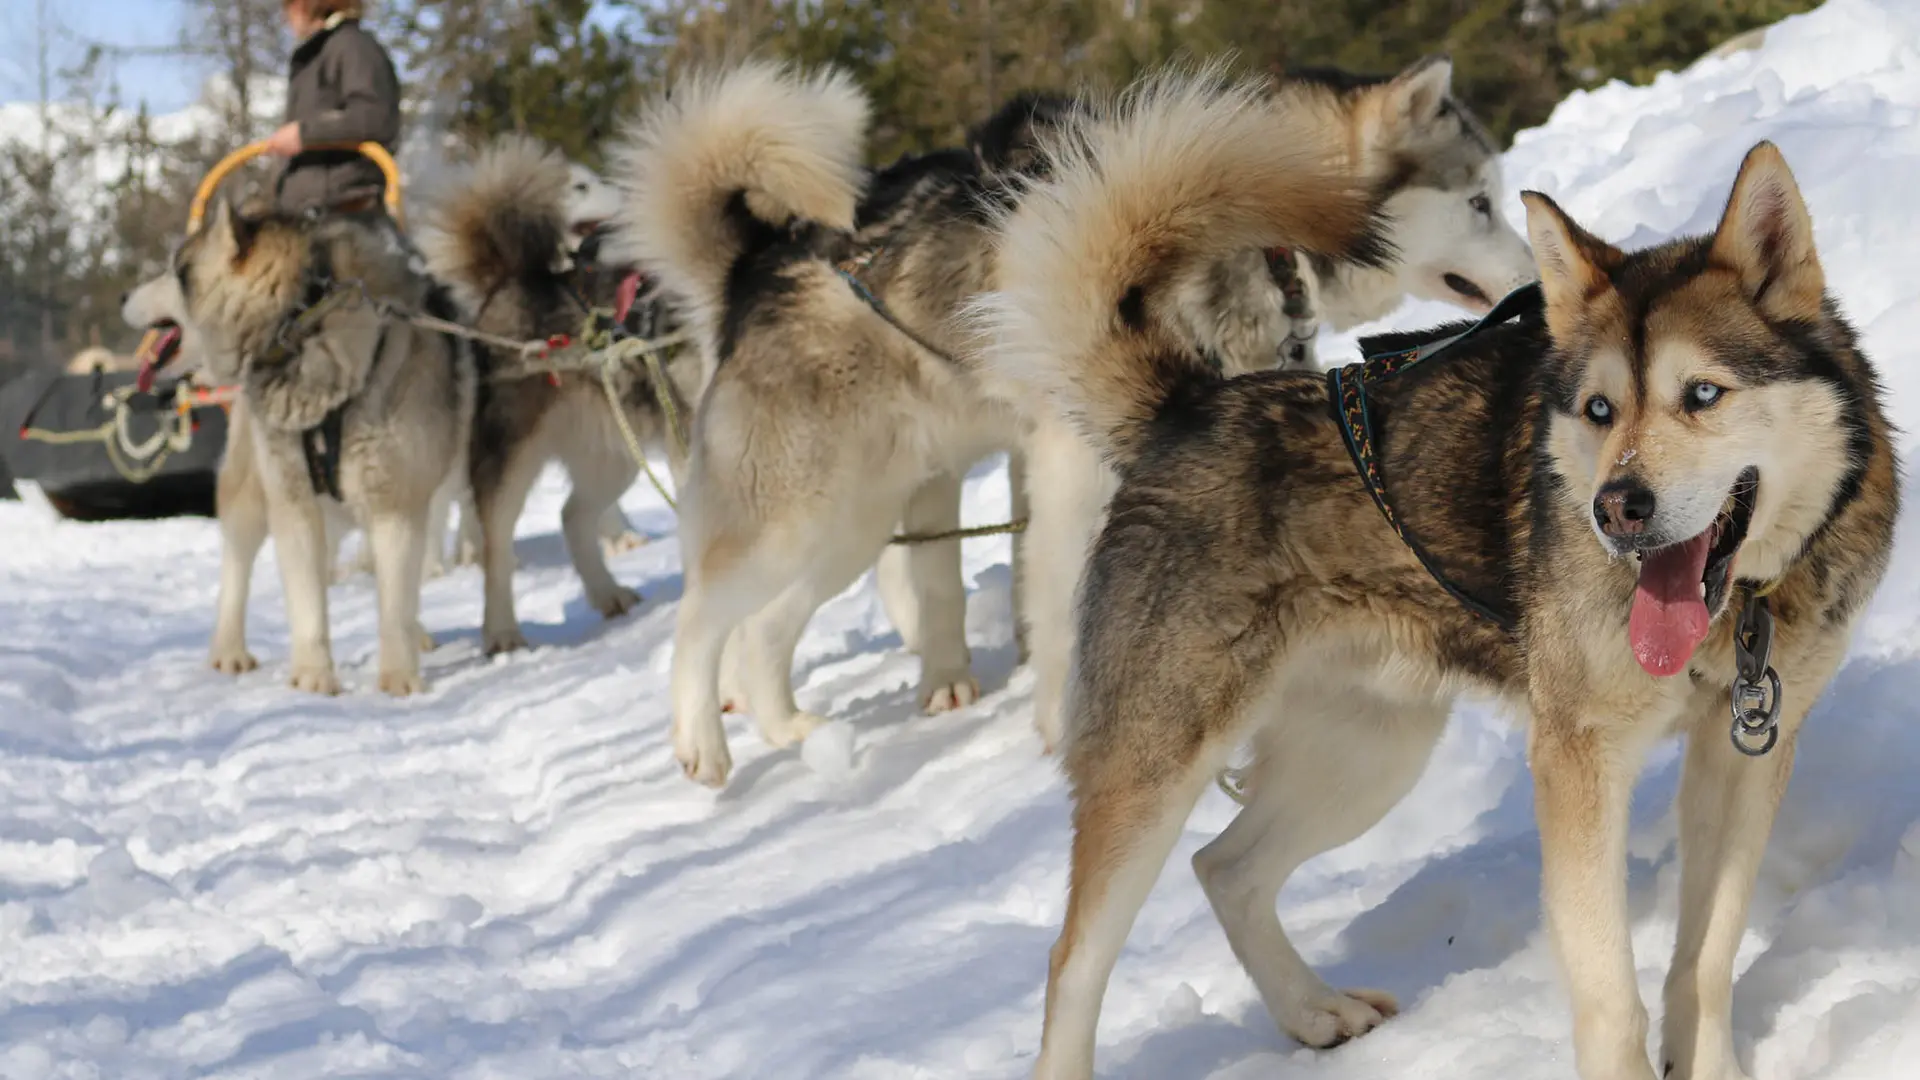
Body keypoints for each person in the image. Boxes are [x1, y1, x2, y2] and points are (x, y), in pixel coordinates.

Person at [265, 1, 402, 218]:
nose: (286, 19)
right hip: (306, 214)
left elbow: (376, 117)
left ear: (304, 5)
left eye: (288, 7)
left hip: (345, 213)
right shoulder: (315, 57)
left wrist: (304, 134)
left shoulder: (352, 46)